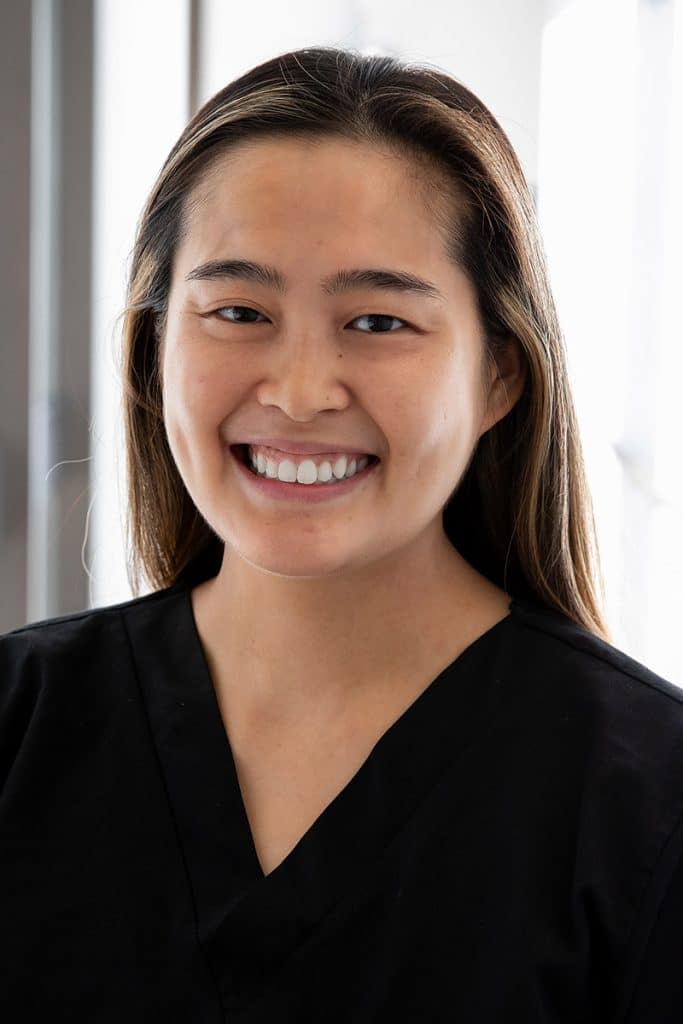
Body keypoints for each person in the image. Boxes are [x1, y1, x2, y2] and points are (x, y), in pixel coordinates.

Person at [1, 45, 682, 1023]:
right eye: (238, 310)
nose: (298, 391)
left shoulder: (644, 802)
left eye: (376, 322)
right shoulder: (19, 729)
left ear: (500, 373)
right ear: (156, 351)